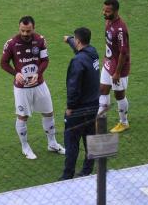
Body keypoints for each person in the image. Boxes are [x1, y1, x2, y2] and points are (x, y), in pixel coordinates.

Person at [0, 16, 65, 160]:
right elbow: (3, 63)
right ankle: (25, 147)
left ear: (33, 28)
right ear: (19, 28)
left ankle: (52, 143)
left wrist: (38, 73)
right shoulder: (11, 44)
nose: (24, 34)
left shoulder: (40, 40)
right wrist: (15, 73)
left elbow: (45, 60)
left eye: (28, 31)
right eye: (22, 30)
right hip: (21, 88)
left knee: (49, 113)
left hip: (39, 85)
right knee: (22, 116)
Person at [59, 27, 100, 180]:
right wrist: (69, 39)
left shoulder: (77, 61)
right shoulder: (93, 52)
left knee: (71, 141)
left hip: (78, 109)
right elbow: (79, 48)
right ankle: (87, 171)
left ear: (78, 40)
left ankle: (67, 175)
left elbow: (73, 87)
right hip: (94, 105)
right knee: (90, 138)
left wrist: (70, 108)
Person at [98, 0, 131, 133]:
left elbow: (124, 52)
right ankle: (100, 121)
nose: (104, 13)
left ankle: (124, 122)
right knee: (103, 90)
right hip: (109, 62)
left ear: (116, 11)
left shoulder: (120, 29)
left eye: (108, 11)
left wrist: (117, 73)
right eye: (104, 10)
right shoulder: (109, 21)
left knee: (119, 95)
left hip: (119, 67)